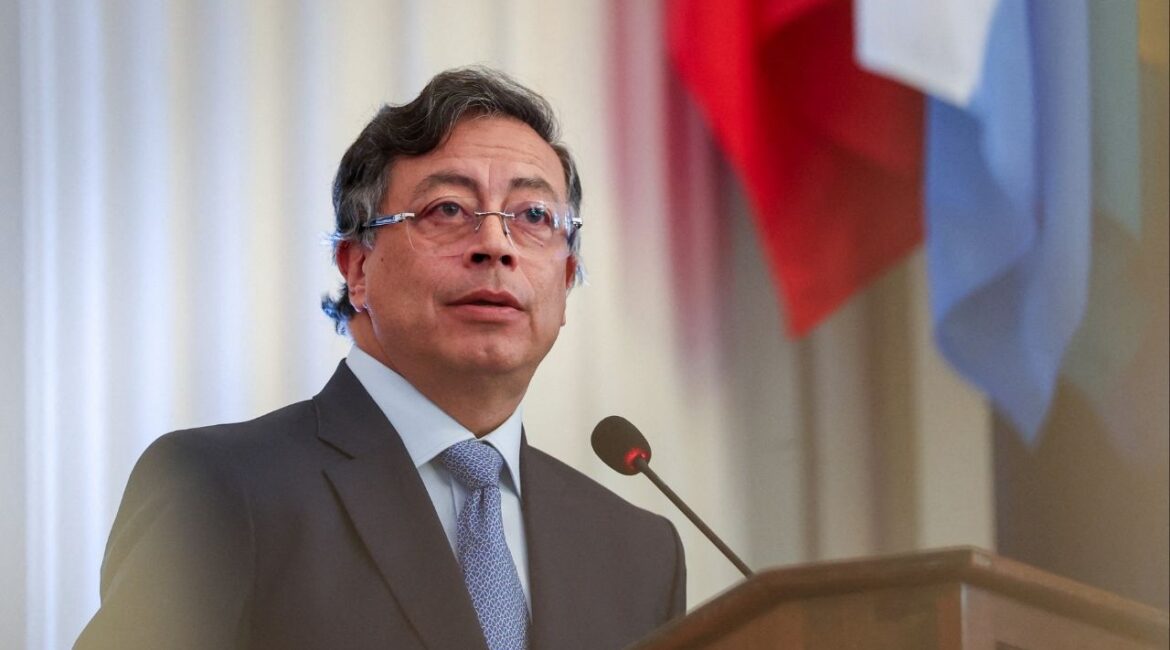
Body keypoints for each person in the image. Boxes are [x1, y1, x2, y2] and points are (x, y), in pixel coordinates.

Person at [74, 66, 685, 650]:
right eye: (448, 209)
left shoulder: (638, 550)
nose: (495, 245)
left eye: (532, 217)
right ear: (357, 268)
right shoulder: (217, 490)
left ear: (568, 276)